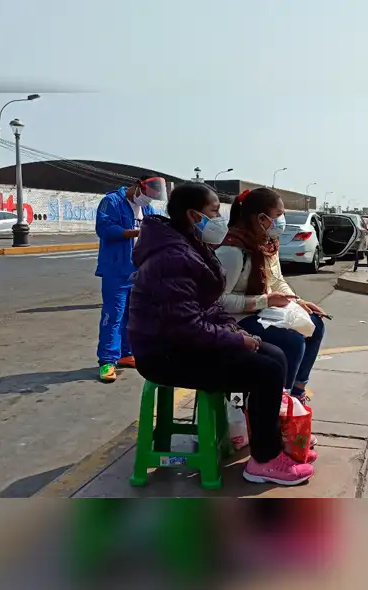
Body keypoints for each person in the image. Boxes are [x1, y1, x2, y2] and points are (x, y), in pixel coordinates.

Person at [128, 183, 316, 485]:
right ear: (193, 215)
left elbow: (208, 306)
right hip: (165, 354)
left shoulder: (188, 244)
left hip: (183, 343)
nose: (220, 218)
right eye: (214, 211)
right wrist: (237, 338)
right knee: (266, 370)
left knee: (275, 355)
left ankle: (270, 445)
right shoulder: (171, 257)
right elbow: (186, 326)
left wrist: (234, 332)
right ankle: (265, 461)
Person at [216, 188, 328, 405]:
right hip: (235, 319)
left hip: (261, 311)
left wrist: (297, 301)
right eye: (279, 214)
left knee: (315, 325)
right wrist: (265, 301)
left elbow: (276, 280)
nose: (282, 220)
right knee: (292, 342)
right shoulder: (233, 250)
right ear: (261, 218)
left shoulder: (266, 244)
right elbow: (218, 302)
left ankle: (296, 392)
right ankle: (278, 404)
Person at [94, 176, 165, 383]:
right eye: (146, 196)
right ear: (137, 186)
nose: (147, 201)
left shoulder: (148, 210)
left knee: (133, 315)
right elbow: (104, 229)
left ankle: (127, 353)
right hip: (116, 269)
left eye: (151, 198)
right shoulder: (112, 202)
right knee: (113, 314)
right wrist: (134, 232)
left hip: (138, 270)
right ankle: (107, 360)